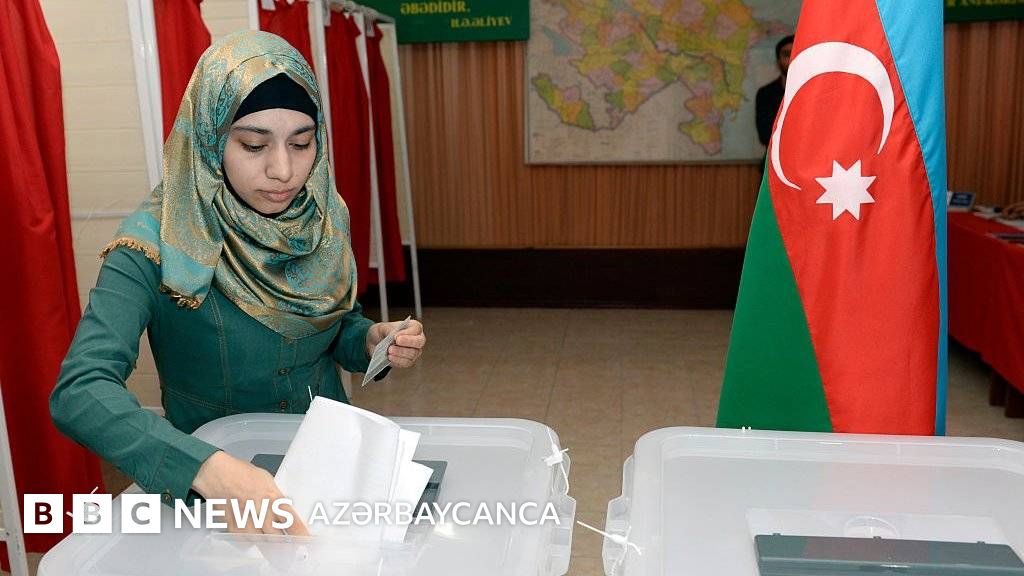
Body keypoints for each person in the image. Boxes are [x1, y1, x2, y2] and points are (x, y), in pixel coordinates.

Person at [50, 31, 426, 535]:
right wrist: (206, 469)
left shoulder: (319, 218)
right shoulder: (154, 242)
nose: (283, 170)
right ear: (209, 139)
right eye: (253, 145)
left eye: (302, 143)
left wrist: (368, 340)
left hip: (327, 466)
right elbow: (80, 389)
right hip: (215, 492)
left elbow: (331, 324)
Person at [755, 35, 794, 150]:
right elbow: (765, 135)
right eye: (787, 54)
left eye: (796, 53)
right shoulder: (765, 94)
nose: (792, 59)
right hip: (776, 156)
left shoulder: (815, 92)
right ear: (778, 61)